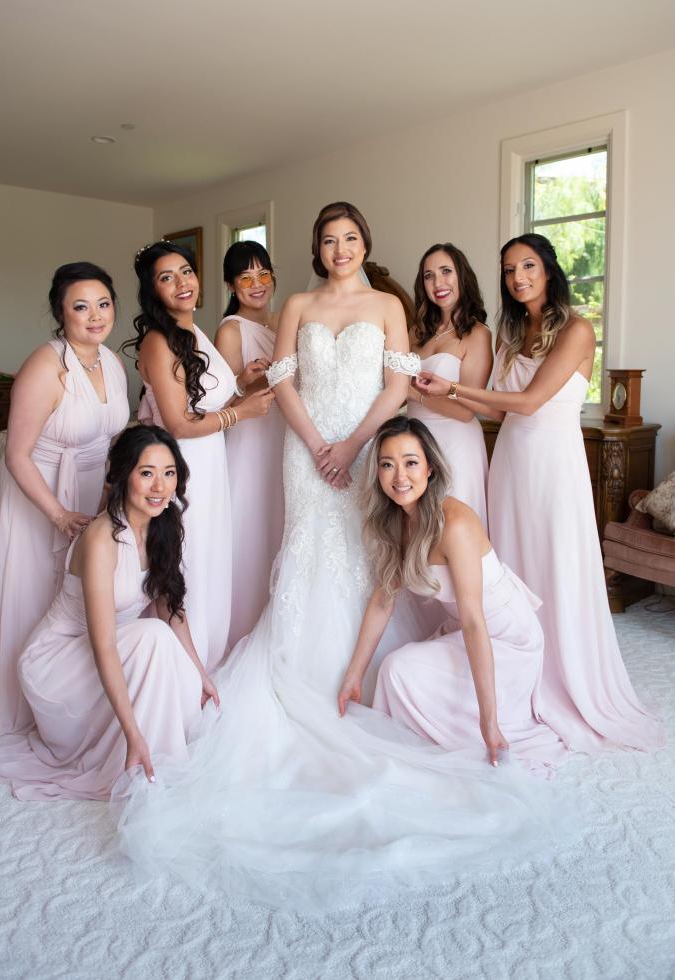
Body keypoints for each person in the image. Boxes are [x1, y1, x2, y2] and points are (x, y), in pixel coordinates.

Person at [113, 205, 574, 914]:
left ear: (365, 244)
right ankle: (301, 675)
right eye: (328, 240)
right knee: (308, 555)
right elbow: (283, 384)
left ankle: (359, 678)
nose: (340, 249)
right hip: (307, 453)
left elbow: (397, 387)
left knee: (369, 561)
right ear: (316, 248)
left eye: (351, 238)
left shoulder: (389, 306)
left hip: (365, 448)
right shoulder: (297, 305)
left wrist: (355, 445)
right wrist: (315, 445)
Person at [417, 233, 664, 753]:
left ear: (548, 270)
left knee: (556, 566)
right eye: (509, 270)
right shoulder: (513, 333)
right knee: (511, 570)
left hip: (552, 466)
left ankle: (563, 677)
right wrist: (426, 394)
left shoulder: (577, 329)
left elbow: (528, 402)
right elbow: (496, 409)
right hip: (509, 464)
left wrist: (454, 387)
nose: (518, 277)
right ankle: (513, 676)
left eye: (527, 266)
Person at [0, 426, 218, 801]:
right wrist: (132, 734)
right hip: (58, 665)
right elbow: (104, 644)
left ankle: (161, 756)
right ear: (123, 475)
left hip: (116, 652)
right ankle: (144, 757)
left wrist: (200, 673)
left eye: (169, 472)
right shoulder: (101, 538)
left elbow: (170, 606)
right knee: (154, 637)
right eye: (147, 473)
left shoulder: (164, 524)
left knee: (178, 665)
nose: (160, 487)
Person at [338, 416, 568, 772]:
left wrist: (489, 721)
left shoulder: (454, 524)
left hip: (506, 638)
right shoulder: (396, 522)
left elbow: (475, 622)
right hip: (465, 629)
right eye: (387, 465)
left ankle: (474, 731)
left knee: (399, 668)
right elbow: (383, 601)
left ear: (430, 468)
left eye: (410, 462)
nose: (400, 476)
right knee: (394, 671)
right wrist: (354, 674)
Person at [0, 262, 130, 737]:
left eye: (103, 304)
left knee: (77, 597)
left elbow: (111, 440)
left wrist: (110, 494)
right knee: (35, 593)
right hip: (39, 493)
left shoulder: (113, 363)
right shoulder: (45, 365)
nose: (95, 316)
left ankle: (71, 702)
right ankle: (22, 704)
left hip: (90, 489)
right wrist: (57, 513)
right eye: (81, 306)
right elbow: (16, 454)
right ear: (61, 313)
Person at [126, 241, 274, 671]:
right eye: (166, 277)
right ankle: (180, 672)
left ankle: (207, 662)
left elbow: (204, 401)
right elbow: (178, 423)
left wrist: (240, 384)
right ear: (153, 290)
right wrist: (241, 412)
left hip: (211, 464)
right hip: (181, 468)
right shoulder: (158, 341)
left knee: (209, 561)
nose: (182, 283)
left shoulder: (195, 332)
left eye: (186, 272)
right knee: (187, 565)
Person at [215, 241, 286, 647]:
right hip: (250, 439)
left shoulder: (285, 320)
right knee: (250, 526)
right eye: (245, 277)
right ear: (231, 285)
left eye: (263, 274)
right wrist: (245, 380)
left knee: (279, 524)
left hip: (285, 434)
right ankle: (241, 630)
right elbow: (219, 403)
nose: (257, 284)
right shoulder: (231, 330)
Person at [406, 243, 492, 528]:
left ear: (461, 276)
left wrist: (412, 394)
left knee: (453, 526)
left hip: (456, 442)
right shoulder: (416, 332)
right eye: (428, 276)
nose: (438, 283)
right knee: (417, 527)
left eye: (446, 272)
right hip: (415, 441)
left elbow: (466, 411)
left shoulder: (477, 334)